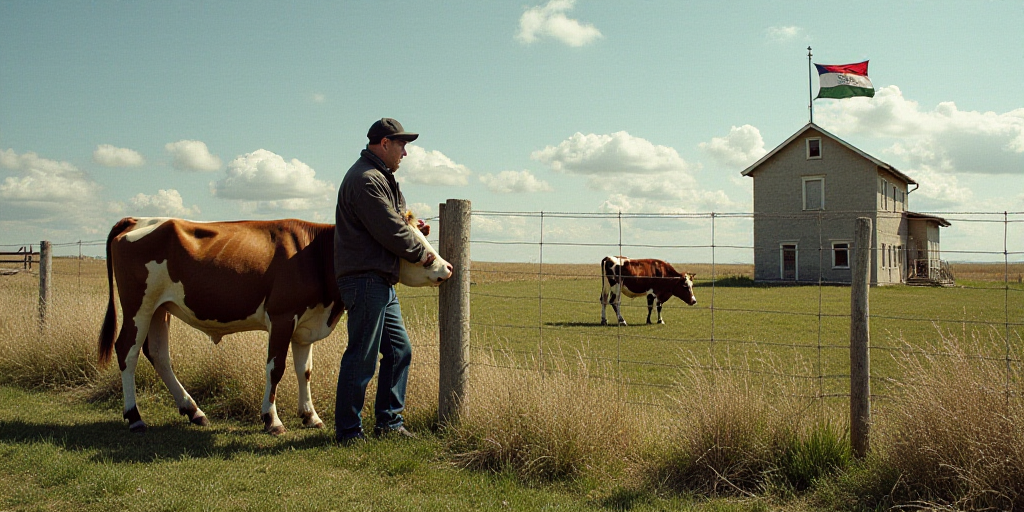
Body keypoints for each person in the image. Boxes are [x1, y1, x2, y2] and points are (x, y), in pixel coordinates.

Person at [333, 118, 432, 444]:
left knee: (399, 350)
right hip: (364, 279)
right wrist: (424, 255)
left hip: (379, 280)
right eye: (402, 145)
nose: (405, 152)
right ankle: (348, 432)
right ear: (385, 143)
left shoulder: (381, 178)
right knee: (362, 355)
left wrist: (416, 229)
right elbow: (390, 230)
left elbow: (400, 221)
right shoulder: (366, 179)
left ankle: (388, 424)